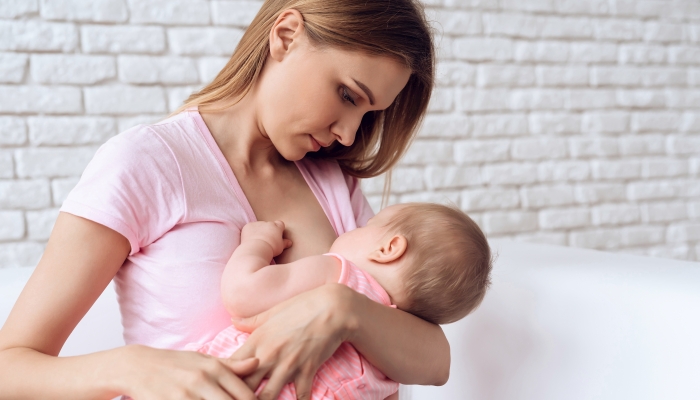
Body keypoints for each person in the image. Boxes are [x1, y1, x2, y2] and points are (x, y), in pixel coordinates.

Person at [0, 1, 449, 399]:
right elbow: (9, 367)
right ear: (286, 35)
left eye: (368, 113)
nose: (349, 133)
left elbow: (435, 360)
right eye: (348, 95)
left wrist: (342, 308)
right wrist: (131, 366)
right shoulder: (148, 163)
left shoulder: (333, 184)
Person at [189, 203, 493, 400]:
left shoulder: (338, 273)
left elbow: (243, 294)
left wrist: (258, 244)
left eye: (366, 226)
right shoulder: (390, 364)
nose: (353, 227)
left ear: (388, 248)